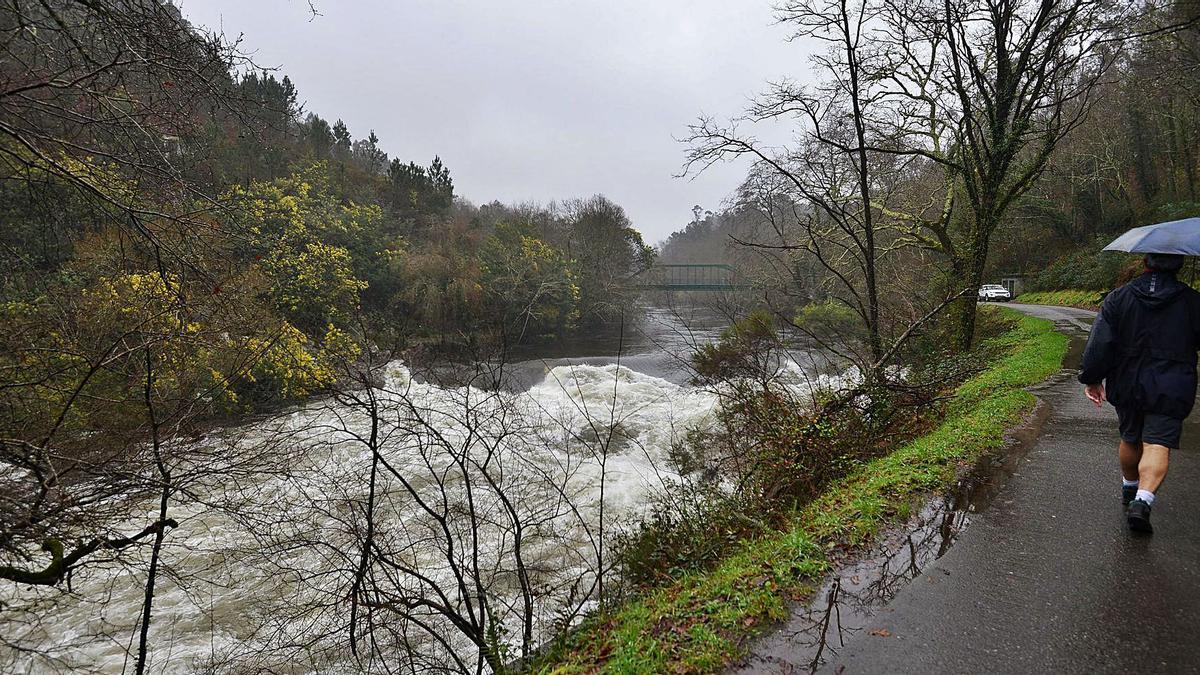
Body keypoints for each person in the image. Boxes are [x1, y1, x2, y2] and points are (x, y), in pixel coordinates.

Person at [1079, 252, 1200, 533]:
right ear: (1180, 265)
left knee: (1130, 437)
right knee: (1158, 442)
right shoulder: (1192, 301)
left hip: (1127, 380)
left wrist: (1092, 378)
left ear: (1145, 263)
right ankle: (1143, 502)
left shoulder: (1119, 298)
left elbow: (1100, 343)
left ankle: (1129, 488)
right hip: (1173, 384)